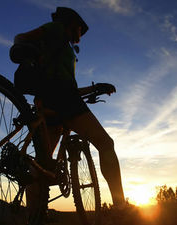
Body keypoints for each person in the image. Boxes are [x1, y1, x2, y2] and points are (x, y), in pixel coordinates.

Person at [10, 7, 125, 207]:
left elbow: (68, 86)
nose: (80, 35)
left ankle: (35, 219)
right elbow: (20, 38)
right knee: (106, 144)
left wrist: (95, 87)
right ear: (72, 24)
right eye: (80, 30)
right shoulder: (57, 29)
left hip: (49, 101)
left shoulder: (61, 46)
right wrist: (30, 52)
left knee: (41, 163)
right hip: (64, 100)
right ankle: (121, 207)